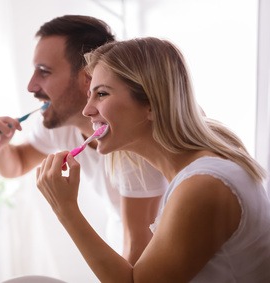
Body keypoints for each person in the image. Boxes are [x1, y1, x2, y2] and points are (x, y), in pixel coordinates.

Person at [35, 37, 270, 282]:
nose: (87, 110)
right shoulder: (203, 164)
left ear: (151, 104)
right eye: (90, 95)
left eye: (102, 94)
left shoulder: (204, 186)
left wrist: (66, 209)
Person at [0, 15, 167, 264]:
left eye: (44, 72)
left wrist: (64, 208)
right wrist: (0, 149)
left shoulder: (132, 142)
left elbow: (139, 250)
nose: (31, 85)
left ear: (88, 78)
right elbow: (17, 164)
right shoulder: (61, 120)